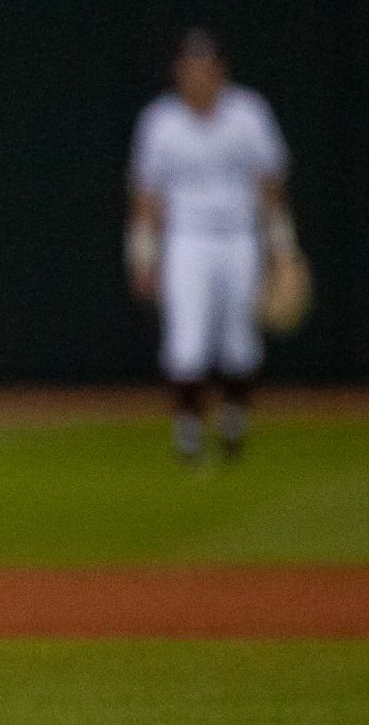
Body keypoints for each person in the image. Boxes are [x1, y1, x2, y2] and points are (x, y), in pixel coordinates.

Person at [126, 29, 296, 462]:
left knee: (240, 340)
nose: (198, 75)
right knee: (186, 340)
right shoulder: (160, 120)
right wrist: (143, 255)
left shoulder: (248, 113)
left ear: (220, 71)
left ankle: (234, 423)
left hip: (240, 238)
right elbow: (147, 196)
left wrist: (282, 247)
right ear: (179, 73)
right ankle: (188, 432)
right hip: (186, 240)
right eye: (190, 68)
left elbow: (269, 185)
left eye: (206, 67)